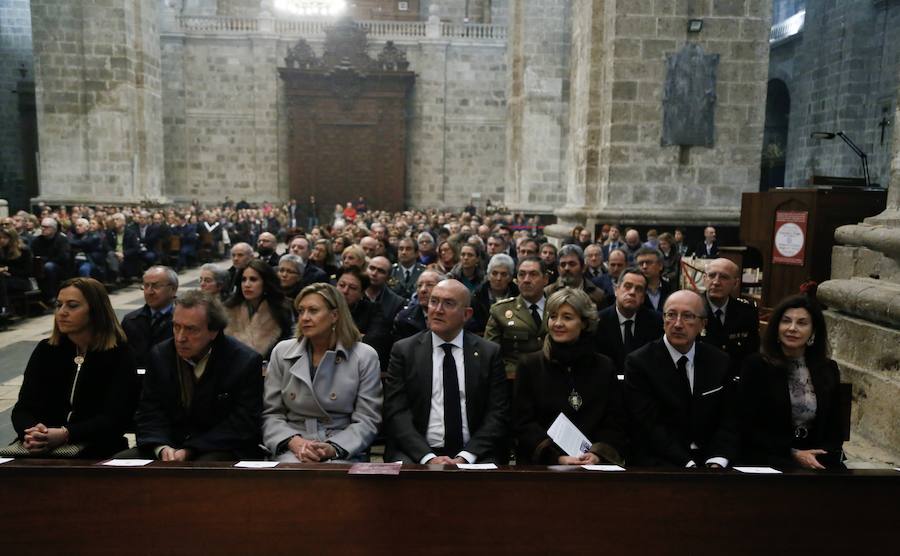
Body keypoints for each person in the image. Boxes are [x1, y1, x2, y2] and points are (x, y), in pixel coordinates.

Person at [384, 279, 510, 464]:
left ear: (466, 314)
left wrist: (466, 457)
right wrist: (428, 458)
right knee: (404, 473)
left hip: (475, 451)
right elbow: (397, 412)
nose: (438, 310)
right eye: (434, 301)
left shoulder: (488, 353)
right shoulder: (404, 351)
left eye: (448, 303)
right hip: (416, 451)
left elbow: (497, 413)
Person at [8, 278, 137, 457]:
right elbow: (23, 408)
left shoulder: (119, 354)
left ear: (95, 311)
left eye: (72, 306)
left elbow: (116, 417)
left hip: (98, 445)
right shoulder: (47, 349)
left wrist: (66, 434)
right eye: (59, 305)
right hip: (40, 445)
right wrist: (32, 432)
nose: (62, 312)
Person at [130, 290, 263, 461]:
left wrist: (191, 450)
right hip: (168, 445)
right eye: (176, 326)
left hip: (220, 447)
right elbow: (149, 411)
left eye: (191, 329)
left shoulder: (243, 361)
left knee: (202, 469)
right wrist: (161, 446)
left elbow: (243, 424)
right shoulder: (160, 355)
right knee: (116, 467)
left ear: (214, 331)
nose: (180, 337)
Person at [263, 283, 383, 462]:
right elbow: (271, 413)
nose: (304, 317)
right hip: (292, 444)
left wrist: (333, 448)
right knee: (292, 470)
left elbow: (367, 419)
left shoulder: (364, 356)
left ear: (334, 315)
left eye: (313, 311)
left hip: (342, 446)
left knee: (333, 474)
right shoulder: (282, 352)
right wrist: (293, 441)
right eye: (301, 311)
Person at [624, 290, 739, 468]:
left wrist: (718, 459)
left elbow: (729, 418)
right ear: (663, 320)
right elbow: (649, 425)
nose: (677, 324)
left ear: (703, 324)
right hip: (662, 461)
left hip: (711, 459)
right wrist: (687, 463)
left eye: (687, 316)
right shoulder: (640, 362)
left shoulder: (719, 361)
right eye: (671, 315)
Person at [514, 288, 627, 466]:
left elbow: (614, 421)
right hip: (543, 468)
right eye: (553, 316)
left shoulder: (604, 367)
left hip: (593, 467)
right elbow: (523, 423)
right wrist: (556, 458)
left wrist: (597, 453)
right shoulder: (530, 365)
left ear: (584, 323)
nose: (557, 323)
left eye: (567, 317)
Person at [739, 295, 844, 469]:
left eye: (802, 323)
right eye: (786, 321)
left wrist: (821, 455)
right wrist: (794, 454)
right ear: (777, 327)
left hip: (816, 457)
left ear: (813, 331)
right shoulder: (756, 365)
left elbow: (835, 426)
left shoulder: (827, 368)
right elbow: (747, 426)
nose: (792, 328)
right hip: (769, 457)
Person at [484, 257, 548, 380]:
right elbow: (490, 353)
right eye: (522, 275)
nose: (526, 280)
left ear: (545, 279)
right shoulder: (500, 311)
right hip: (514, 379)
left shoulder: (556, 308)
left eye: (533, 274)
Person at [700, 258, 760, 377]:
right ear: (704, 279)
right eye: (712, 276)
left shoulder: (747, 313)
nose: (716, 282)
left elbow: (752, 355)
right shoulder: (691, 309)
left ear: (735, 283)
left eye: (724, 277)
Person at [596, 268, 664, 372]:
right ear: (616, 290)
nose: (632, 292)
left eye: (639, 289)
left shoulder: (657, 322)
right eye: (627, 286)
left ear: (643, 298)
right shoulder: (598, 321)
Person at [224, 259, 293, 358]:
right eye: (243, 280)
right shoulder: (229, 309)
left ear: (265, 283)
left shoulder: (280, 311)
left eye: (253, 279)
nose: (247, 285)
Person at [121, 266, 178, 372]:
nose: (149, 292)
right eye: (146, 286)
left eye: (156, 286)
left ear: (173, 289)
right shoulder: (130, 321)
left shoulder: (182, 321)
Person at [544, 244, 607, 311]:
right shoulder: (548, 292)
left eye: (572, 264)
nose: (567, 268)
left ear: (583, 267)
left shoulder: (597, 295)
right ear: (558, 269)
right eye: (563, 265)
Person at [471, 253, 518, 335]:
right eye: (494, 273)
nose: (498, 278)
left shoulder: (518, 295)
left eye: (504, 274)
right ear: (488, 275)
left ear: (510, 277)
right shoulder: (476, 296)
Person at [392, 269, 441, 341]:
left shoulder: (452, 317)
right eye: (419, 285)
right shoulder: (403, 318)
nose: (422, 290)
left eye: (429, 285)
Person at [30, 217, 70, 301]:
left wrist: (45, 259)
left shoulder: (62, 240)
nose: (43, 229)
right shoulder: (37, 240)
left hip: (60, 267)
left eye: (46, 227)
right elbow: (32, 254)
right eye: (42, 226)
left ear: (54, 229)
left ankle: (52, 296)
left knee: (49, 266)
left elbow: (63, 257)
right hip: (40, 265)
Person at [0, 227, 33, 318]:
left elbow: (27, 272)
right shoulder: (1, 251)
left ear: (12, 238)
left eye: (4, 238)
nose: (1, 240)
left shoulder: (23, 251)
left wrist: (8, 270)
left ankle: (4, 309)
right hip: (5, 279)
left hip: (21, 281)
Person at [635, 247, 673, 313]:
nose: (644, 266)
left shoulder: (671, 288)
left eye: (649, 263)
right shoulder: (633, 290)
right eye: (641, 263)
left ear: (660, 266)